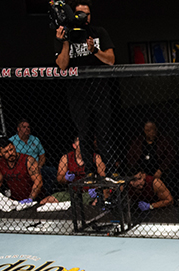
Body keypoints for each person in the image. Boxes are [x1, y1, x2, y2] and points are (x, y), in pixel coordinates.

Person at [55, 0, 116, 177]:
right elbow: (62, 66)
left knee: (104, 133)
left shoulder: (99, 32)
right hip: (77, 93)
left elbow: (111, 60)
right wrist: (65, 42)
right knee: (84, 133)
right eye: (80, 14)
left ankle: (111, 170)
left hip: (99, 90)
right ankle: (89, 171)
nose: (84, 18)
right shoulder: (64, 34)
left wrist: (94, 50)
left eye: (87, 14)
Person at [39, 137, 105, 205]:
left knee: (96, 202)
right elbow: (59, 178)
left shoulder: (96, 157)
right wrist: (65, 178)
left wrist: (96, 187)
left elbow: (103, 175)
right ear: (74, 146)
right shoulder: (66, 158)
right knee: (44, 201)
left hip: (89, 193)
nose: (83, 147)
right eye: (81, 145)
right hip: (72, 192)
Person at [0, 137, 42, 208]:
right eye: (6, 152)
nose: (10, 153)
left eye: (11, 149)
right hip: (15, 201)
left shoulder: (28, 160)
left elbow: (38, 182)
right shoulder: (1, 164)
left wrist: (30, 198)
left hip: (35, 200)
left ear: (14, 147)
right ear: (0, 153)